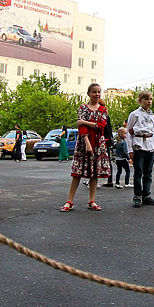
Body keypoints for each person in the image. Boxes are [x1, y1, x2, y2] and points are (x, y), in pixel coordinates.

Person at [60, 83, 110, 212]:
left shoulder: (103, 109)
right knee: (77, 173)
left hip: (98, 144)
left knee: (94, 174)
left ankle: (91, 200)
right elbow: (81, 129)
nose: (97, 94)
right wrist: (87, 143)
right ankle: (69, 201)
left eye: (99, 92)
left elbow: (101, 126)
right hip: (84, 144)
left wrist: (84, 122)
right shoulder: (83, 108)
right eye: (94, 92)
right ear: (88, 93)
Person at [126, 90, 154, 207]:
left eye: (150, 99)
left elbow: (152, 131)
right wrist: (130, 149)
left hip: (150, 146)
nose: (149, 101)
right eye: (146, 99)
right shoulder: (134, 114)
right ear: (140, 101)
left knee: (148, 172)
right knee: (138, 172)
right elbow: (129, 132)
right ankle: (137, 195)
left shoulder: (152, 116)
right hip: (139, 145)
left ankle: (147, 195)